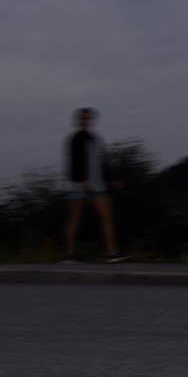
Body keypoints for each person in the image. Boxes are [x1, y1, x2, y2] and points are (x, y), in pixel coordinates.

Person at [62, 107, 129, 263]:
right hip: (78, 186)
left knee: (107, 217)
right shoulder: (75, 138)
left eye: (89, 118)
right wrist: (82, 180)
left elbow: (105, 163)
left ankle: (112, 252)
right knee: (75, 218)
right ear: (79, 120)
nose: (87, 121)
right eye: (84, 118)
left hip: (98, 186)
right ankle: (70, 255)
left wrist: (115, 180)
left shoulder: (96, 139)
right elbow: (74, 162)